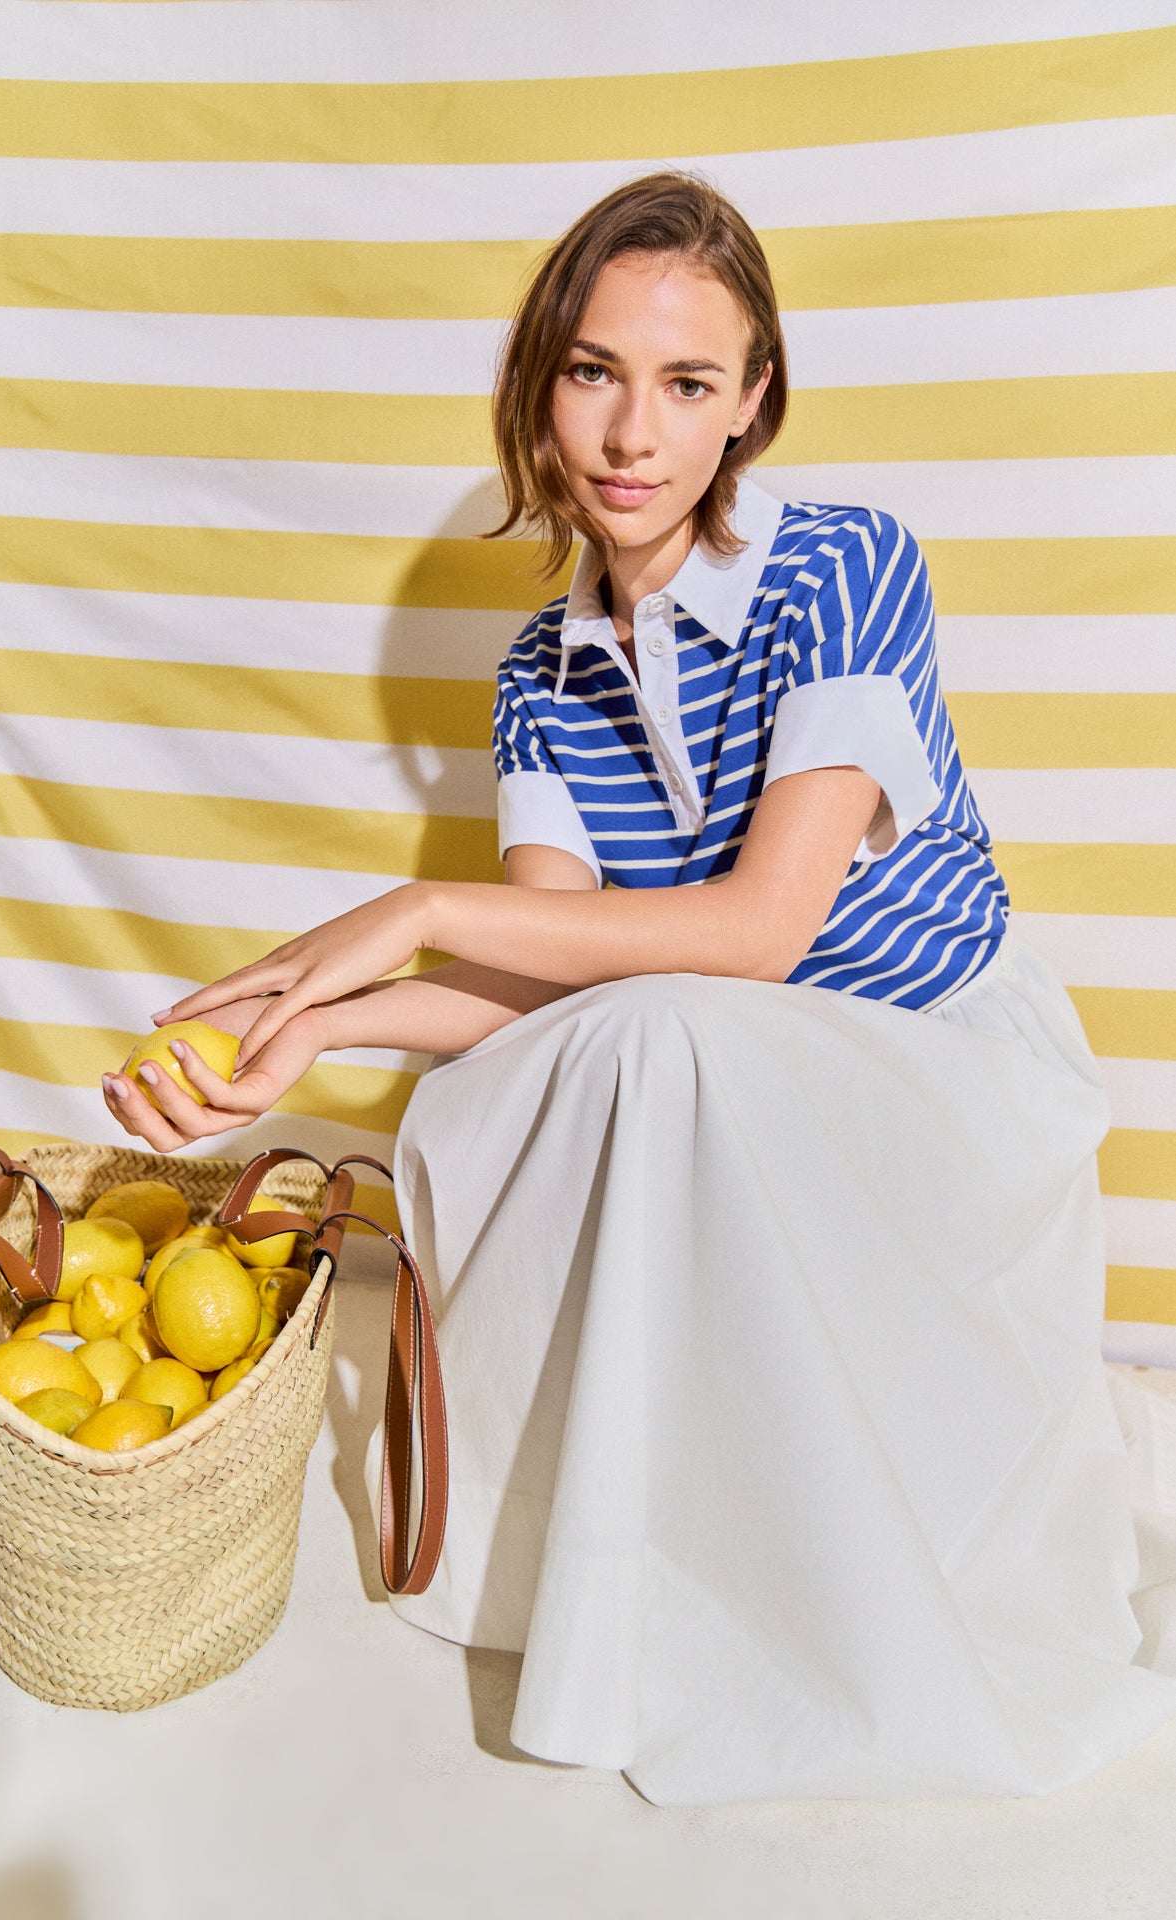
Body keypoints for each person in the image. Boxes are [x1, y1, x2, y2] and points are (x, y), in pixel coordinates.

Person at [103, 173, 1176, 1805]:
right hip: (731, 1077)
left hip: (937, 1078)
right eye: (593, 372)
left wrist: (408, 910)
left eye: (685, 384)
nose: (629, 433)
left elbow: (754, 934)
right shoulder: (538, 674)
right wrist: (308, 1029)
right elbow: (556, 991)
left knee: (666, 1031)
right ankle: (614, 1576)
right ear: (541, 382)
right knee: (543, 1075)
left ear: (751, 402)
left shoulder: (845, 568)